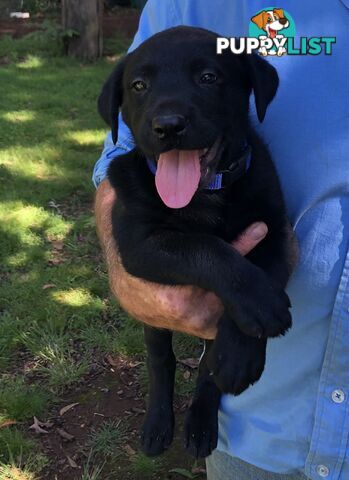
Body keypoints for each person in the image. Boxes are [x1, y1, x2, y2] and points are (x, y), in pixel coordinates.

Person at [93, 1, 349, 479]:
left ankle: (206, 398)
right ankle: (161, 393)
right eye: (141, 88)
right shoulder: (186, 4)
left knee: (240, 308)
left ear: (251, 92)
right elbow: (141, 247)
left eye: (207, 78)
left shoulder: (254, 169)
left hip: (272, 404)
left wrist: (244, 324)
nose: (167, 118)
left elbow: (273, 247)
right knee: (162, 327)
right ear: (121, 109)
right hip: (260, 440)